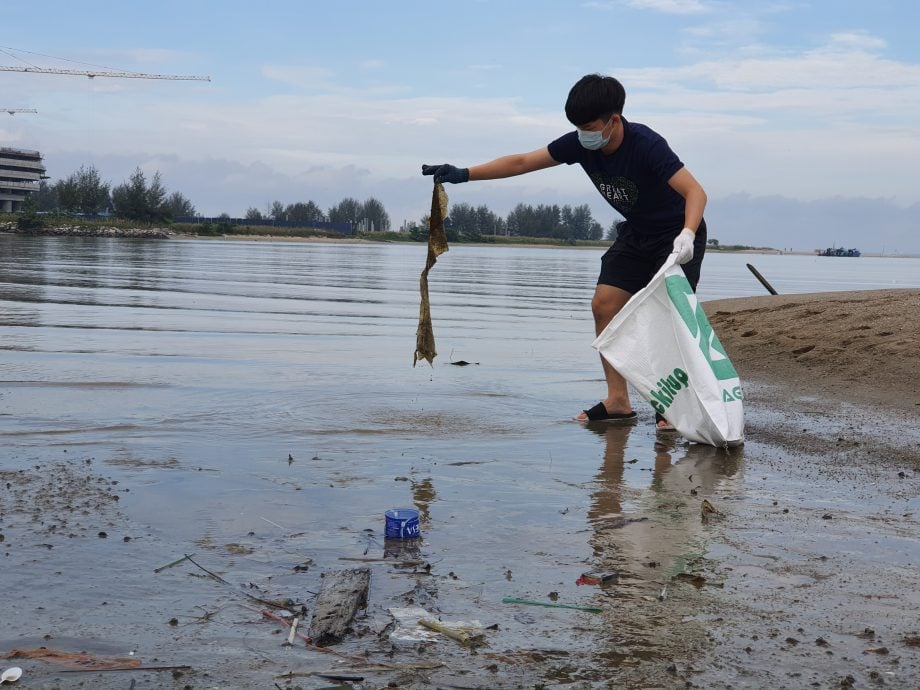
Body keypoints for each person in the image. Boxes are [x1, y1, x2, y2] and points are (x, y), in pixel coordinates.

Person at [423, 73, 708, 428]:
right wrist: (464, 174)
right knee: (603, 305)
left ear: (613, 120)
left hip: (677, 235)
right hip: (637, 234)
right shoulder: (579, 144)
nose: (583, 133)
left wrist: (687, 233)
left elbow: (696, 192)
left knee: (669, 320)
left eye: (589, 126)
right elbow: (522, 162)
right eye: (578, 127)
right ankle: (618, 400)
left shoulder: (646, 144)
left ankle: (671, 406)